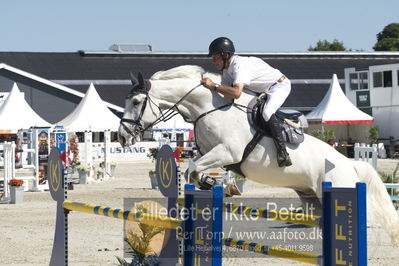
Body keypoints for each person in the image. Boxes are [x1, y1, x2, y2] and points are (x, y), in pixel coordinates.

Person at [201, 37, 292, 167]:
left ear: (225, 55)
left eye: (215, 57)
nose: (213, 61)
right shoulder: (227, 71)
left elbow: (236, 93)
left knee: (266, 112)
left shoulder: (239, 66)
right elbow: (227, 95)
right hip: (260, 91)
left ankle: (283, 153)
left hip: (278, 86)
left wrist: (213, 85)